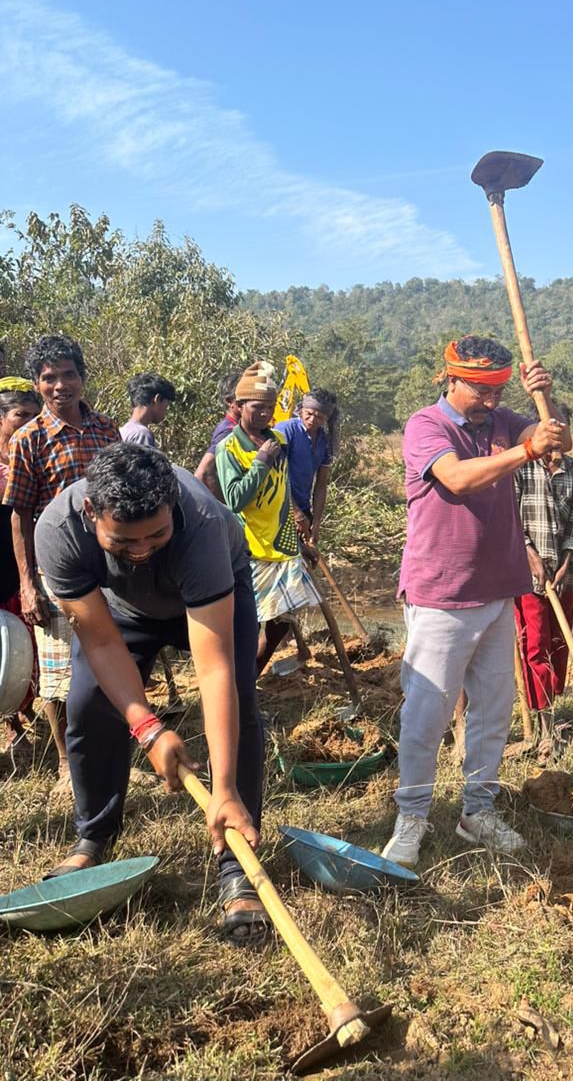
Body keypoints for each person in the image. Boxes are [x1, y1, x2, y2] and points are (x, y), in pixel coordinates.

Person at [33, 443, 268, 940]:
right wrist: (148, 727)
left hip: (214, 597)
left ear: (174, 510)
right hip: (121, 612)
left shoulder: (201, 523)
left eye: (157, 534)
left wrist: (220, 789)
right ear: (91, 512)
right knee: (90, 702)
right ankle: (94, 837)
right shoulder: (57, 530)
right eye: (123, 540)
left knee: (240, 702)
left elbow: (214, 668)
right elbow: (98, 639)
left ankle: (235, 862)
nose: (141, 549)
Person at [381, 335, 570, 868]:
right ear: (451, 379)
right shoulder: (427, 426)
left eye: (500, 391)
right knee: (427, 713)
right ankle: (412, 815)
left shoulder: (506, 421)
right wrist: (527, 448)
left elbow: (559, 442)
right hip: (442, 592)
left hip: (497, 590)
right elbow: (458, 479)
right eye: (482, 391)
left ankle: (477, 811)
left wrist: (544, 402)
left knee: (492, 710)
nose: (491, 401)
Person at [2, 336, 120, 791]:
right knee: (56, 675)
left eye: (68, 374)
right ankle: (68, 762)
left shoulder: (106, 430)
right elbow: (20, 515)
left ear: (82, 377)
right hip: (56, 571)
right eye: (49, 378)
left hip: (110, 568)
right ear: (37, 383)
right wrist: (27, 583)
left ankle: (111, 747)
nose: (59, 385)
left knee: (110, 659)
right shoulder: (29, 440)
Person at [215, 361, 322, 673]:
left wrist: (298, 535)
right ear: (238, 406)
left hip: (283, 545)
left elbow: (281, 491)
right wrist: (261, 462)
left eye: (270, 407)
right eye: (257, 407)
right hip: (251, 550)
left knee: (281, 624)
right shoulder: (229, 448)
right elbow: (235, 499)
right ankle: (241, 687)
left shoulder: (279, 440)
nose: (264, 414)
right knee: (249, 627)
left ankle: (249, 680)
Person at [514, 402, 573, 760]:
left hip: (563, 574)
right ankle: (542, 724)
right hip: (528, 576)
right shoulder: (522, 468)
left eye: (562, 427)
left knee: (560, 645)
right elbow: (513, 521)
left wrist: (565, 562)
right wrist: (533, 558)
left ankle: (553, 710)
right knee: (534, 646)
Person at [0, 378, 42, 756]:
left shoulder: (30, 459)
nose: (27, 422)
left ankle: (26, 711)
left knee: (28, 653)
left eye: (34, 416)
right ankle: (12, 725)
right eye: (20, 415)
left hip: (24, 571)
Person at [275, 390, 338, 547]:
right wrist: (296, 514)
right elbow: (276, 478)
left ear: (327, 418)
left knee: (306, 559)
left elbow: (321, 485)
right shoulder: (285, 431)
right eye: (309, 413)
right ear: (301, 409)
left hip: (303, 508)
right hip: (278, 510)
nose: (312, 420)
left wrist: (315, 522)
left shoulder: (325, 441)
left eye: (319, 417)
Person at [194, 370, 242, 499]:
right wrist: (224, 508)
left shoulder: (238, 428)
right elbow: (203, 472)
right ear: (229, 401)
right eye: (242, 398)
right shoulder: (228, 431)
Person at [119, 372, 177, 448]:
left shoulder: (121, 432)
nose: (167, 409)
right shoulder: (141, 435)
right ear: (157, 399)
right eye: (167, 404)